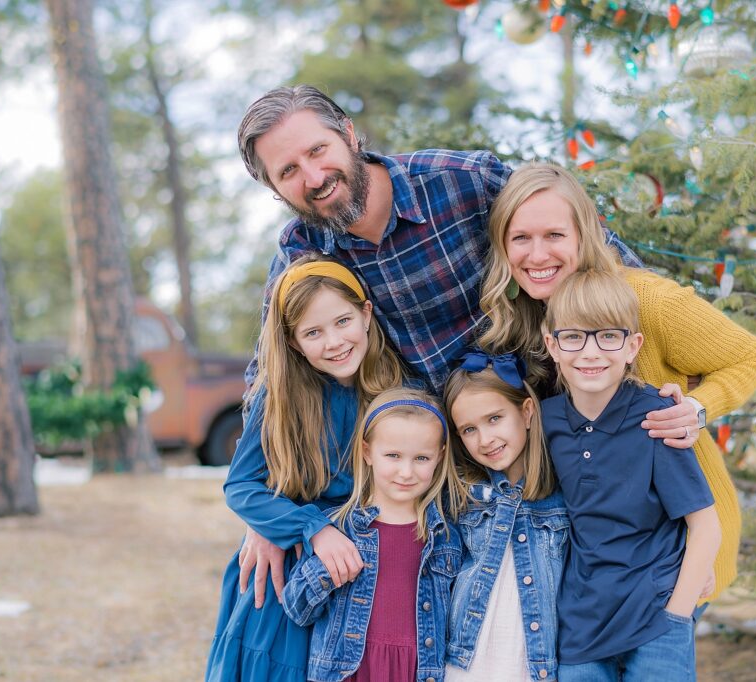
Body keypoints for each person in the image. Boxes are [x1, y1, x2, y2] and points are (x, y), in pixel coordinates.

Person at [235, 85, 644, 605]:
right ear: (275, 190)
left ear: (349, 135)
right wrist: (272, 511)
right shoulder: (304, 251)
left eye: (317, 151)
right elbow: (267, 379)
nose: (314, 178)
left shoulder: (461, 182)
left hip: (545, 433)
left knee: (588, 606)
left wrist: (675, 377)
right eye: (287, 171)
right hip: (437, 476)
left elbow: (609, 264)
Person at [478, 163, 756, 603]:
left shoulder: (647, 302)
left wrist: (695, 408)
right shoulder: (524, 317)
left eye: (554, 236)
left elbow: (750, 356)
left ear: (583, 235)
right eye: (521, 238)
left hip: (676, 539)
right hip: (600, 554)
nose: (537, 256)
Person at [206, 255, 403, 681]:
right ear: (294, 342)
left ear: (366, 314)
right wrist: (308, 527)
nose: (333, 342)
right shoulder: (279, 397)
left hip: (364, 570)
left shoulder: (396, 391)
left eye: (342, 321)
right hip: (288, 571)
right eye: (313, 332)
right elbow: (241, 485)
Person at [541, 269, 722, 681]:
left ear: (632, 346)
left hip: (656, 620)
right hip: (580, 625)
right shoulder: (545, 420)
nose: (590, 352)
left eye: (608, 336)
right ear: (552, 345)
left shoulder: (655, 418)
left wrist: (677, 613)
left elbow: (705, 525)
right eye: (573, 337)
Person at [282, 388, 463, 682]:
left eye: (421, 458)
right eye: (393, 455)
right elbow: (296, 608)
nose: (406, 472)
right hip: (349, 670)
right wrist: (327, 570)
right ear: (367, 452)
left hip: (419, 670)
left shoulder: (446, 536)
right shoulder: (338, 529)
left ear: (440, 457)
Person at [441, 351, 568, 682]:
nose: (485, 440)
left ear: (526, 411)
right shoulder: (464, 498)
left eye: (494, 418)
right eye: (468, 429)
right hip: (465, 666)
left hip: (535, 666)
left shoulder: (563, 497)